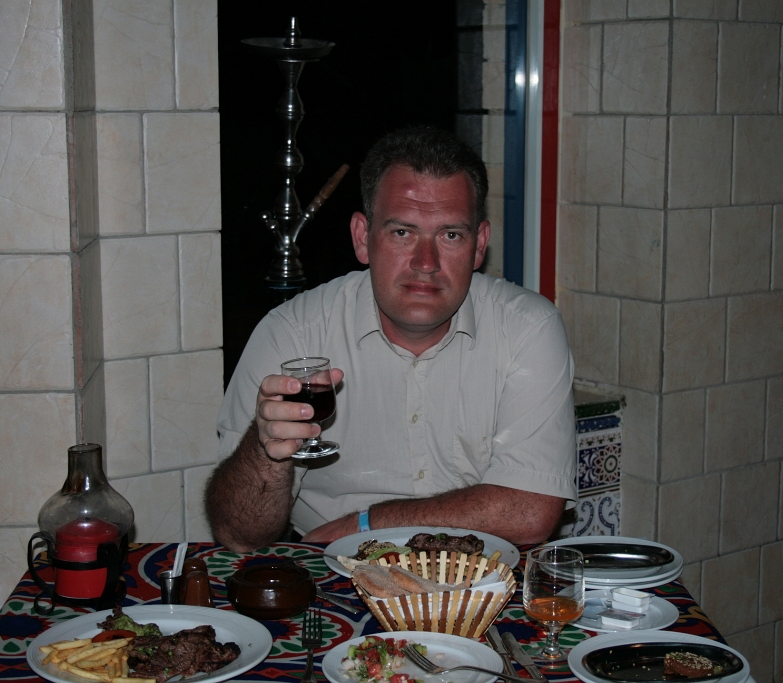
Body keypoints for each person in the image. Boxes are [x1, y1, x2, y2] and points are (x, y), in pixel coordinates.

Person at [206, 126, 576, 551]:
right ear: (362, 238)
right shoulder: (293, 334)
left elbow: (530, 512)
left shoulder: (528, 327)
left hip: (483, 575)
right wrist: (265, 450)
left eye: (450, 235)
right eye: (402, 232)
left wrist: (367, 524)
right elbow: (238, 535)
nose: (426, 262)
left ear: (479, 246)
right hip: (334, 575)